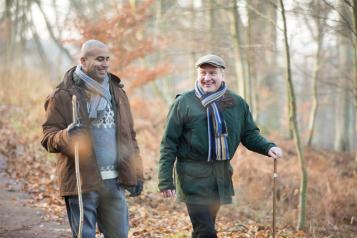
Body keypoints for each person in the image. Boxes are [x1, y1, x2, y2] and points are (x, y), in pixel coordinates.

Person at [158, 54, 282, 238]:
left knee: (202, 230)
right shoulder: (184, 103)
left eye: (212, 73)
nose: (207, 78)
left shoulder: (237, 103)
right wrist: (165, 179)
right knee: (206, 231)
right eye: (203, 73)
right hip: (192, 177)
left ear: (222, 75)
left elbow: (249, 134)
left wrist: (267, 147)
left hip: (220, 177)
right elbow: (169, 143)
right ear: (197, 74)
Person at [41, 39, 143, 238]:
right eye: (99, 59)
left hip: (115, 182)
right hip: (82, 181)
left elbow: (129, 137)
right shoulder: (63, 95)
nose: (105, 64)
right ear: (83, 61)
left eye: (107, 59)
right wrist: (66, 135)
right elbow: (48, 136)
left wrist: (136, 173)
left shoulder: (118, 93)